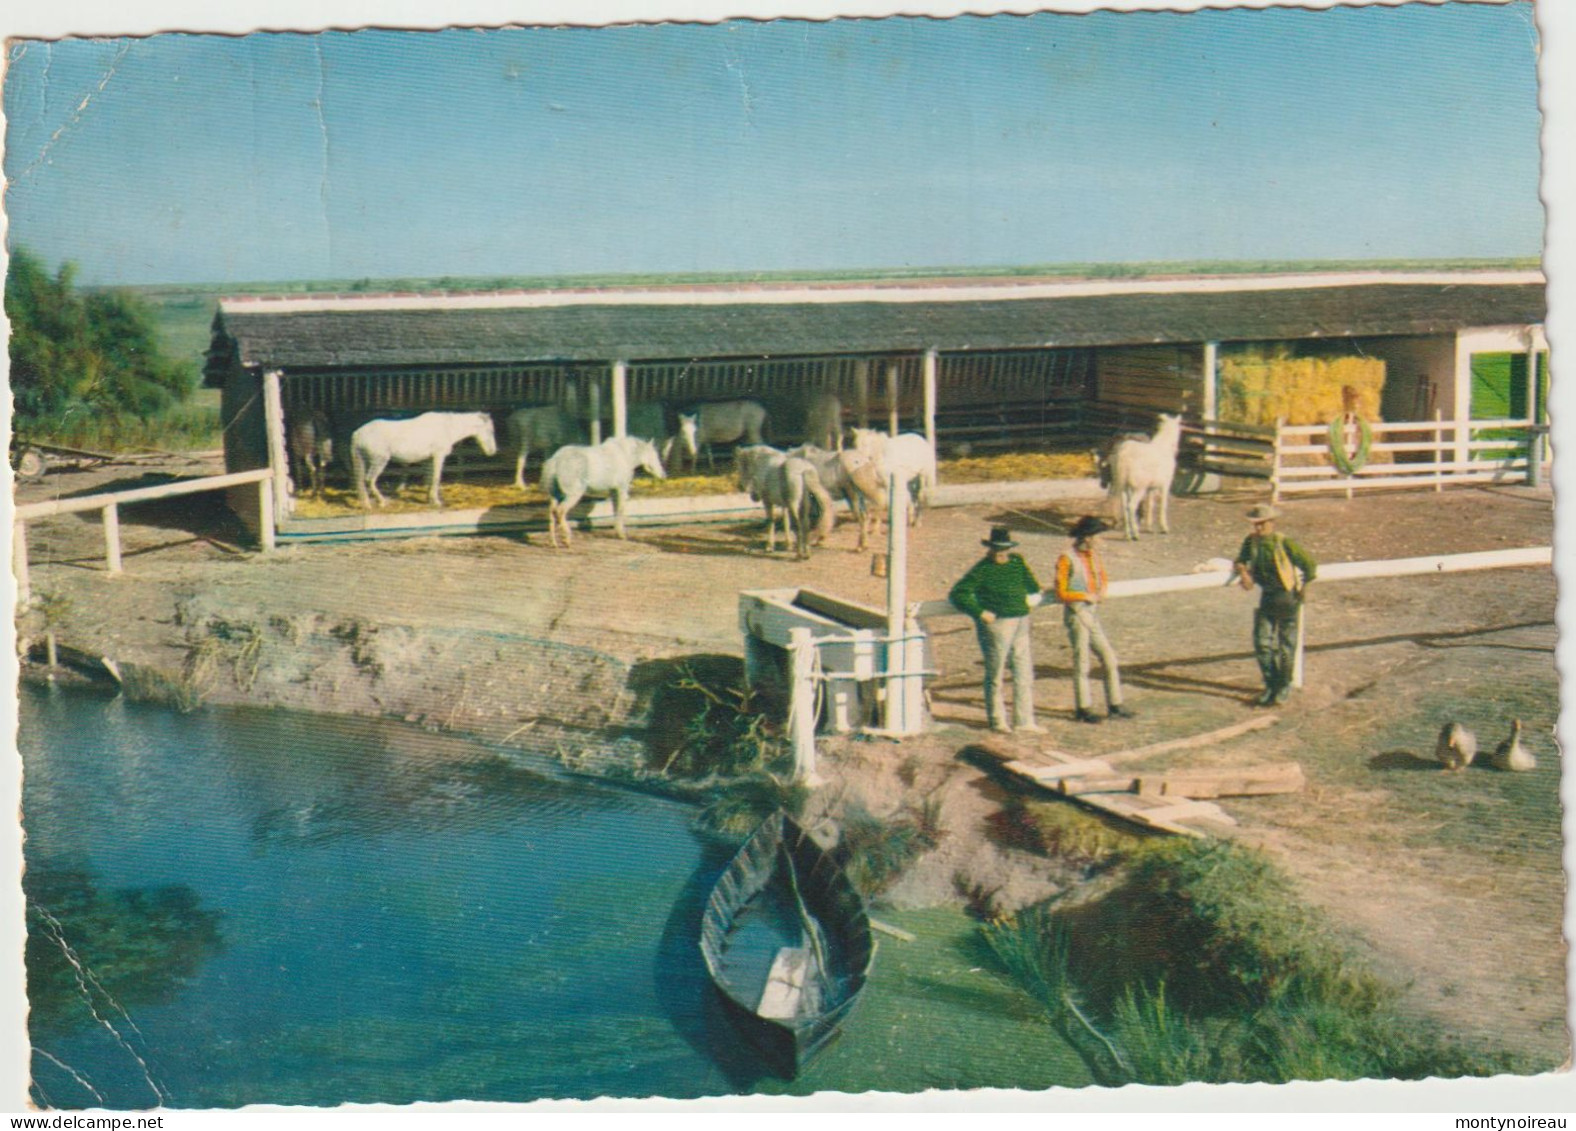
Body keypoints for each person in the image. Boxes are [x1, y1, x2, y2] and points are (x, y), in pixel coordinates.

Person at [949, 525, 1046, 734]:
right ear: (990, 549)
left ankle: (1024, 721)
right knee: (996, 672)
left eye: (1004, 550)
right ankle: (997, 720)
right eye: (996, 550)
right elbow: (958, 594)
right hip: (998, 624)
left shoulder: (1017, 563)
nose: (1000, 554)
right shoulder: (982, 569)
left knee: (1023, 670)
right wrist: (979, 612)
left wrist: (1031, 597)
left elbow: (1033, 586)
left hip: (1021, 620)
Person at [1233, 503, 1318, 706]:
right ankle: (1271, 684)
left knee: (1286, 645)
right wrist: (1244, 573)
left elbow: (1310, 566)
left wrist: (1301, 587)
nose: (1259, 528)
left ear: (1272, 523)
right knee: (1262, 643)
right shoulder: (1251, 542)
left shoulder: (1284, 542)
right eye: (1256, 524)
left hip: (1287, 597)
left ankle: (1284, 684)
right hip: (1267, 597)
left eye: (1263, 524)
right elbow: (1240, 560)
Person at [1054, 516, 1133, 724]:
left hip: (1092, 612)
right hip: (1077, 613)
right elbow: (1061, 591)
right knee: (1082, 662)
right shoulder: (1066, 558)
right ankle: (1083, 708)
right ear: (1088, 538)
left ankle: (1115, 705)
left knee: (1109, 658)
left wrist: (1101, 591)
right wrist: (1084, 596)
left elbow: (1102, 577)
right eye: (1098, 536)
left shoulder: (1094, 556)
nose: (1101, 540)